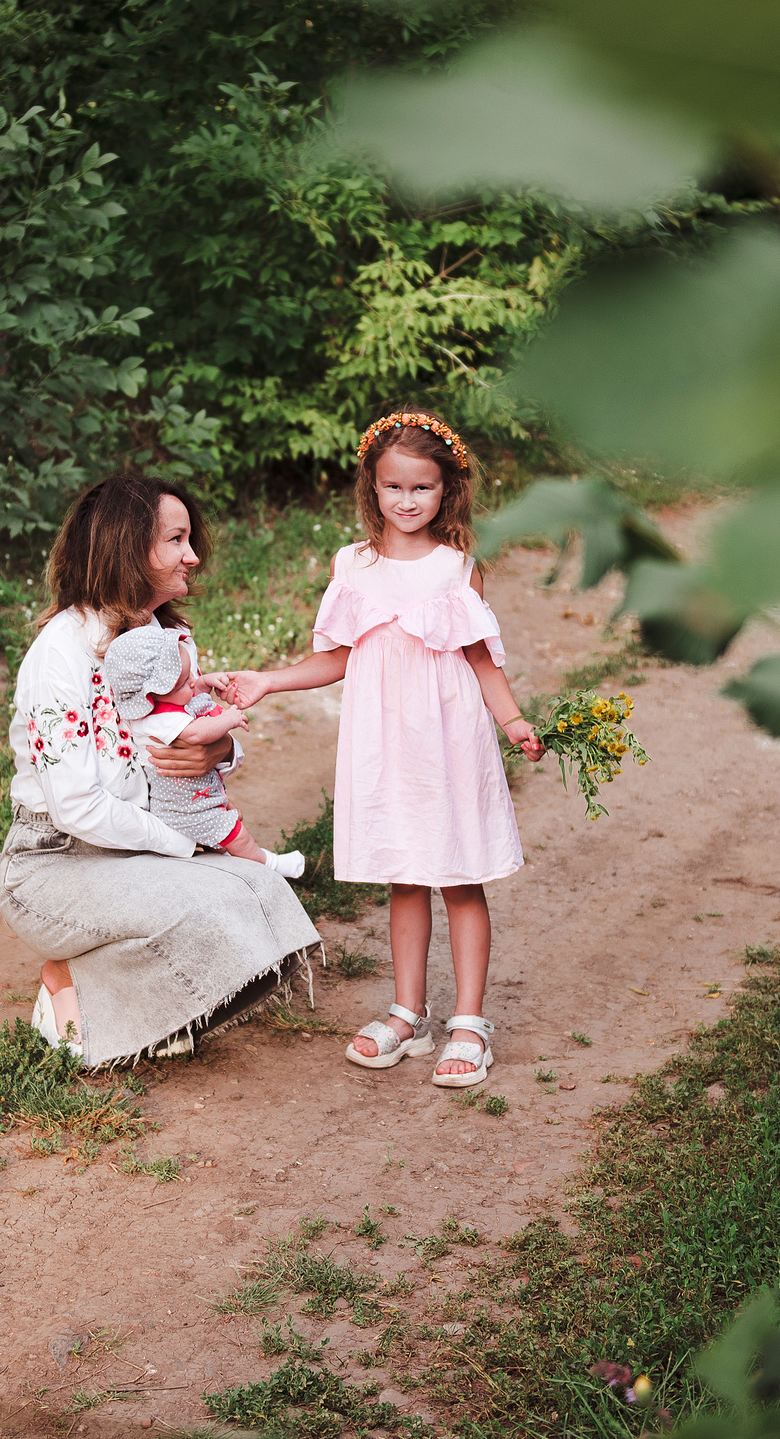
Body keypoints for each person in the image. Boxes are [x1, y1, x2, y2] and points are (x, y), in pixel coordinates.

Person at [211, 410, 544, 1089]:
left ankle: (471, 1021)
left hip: (448, 740)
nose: (407, 500)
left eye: (422, 488)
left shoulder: (457, 569)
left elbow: (482, 662)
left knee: (458, 872)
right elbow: (334, 658)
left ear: (447, 490)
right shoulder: (354, 565)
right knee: (405, 873)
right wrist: (269, 680)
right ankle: (409, 1011)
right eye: (393, 487)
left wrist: (511, 721)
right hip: (388, 743)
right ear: (373, 487)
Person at [0, 473, 322, 1065]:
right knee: (201, 906)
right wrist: (183, 845)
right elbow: (74, 806)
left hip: (131, 847)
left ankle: (145, 1004)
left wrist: (221, 752)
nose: (193, 556)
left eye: (189, 539)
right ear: (127, 547)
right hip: (53, 862)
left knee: (258, 887)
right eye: (176, 540)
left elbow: (187, 728)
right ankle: (71, 984)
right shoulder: (58, 654)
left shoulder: (159, 636)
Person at [101, 622, 306, 877]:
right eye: (184, 681)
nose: (192, 683)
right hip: (185, 806)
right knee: (235, 834)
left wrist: (205, 681)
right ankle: (269, 865)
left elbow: (191, 692)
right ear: (153, 694)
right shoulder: (157, 721)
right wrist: (229, 718)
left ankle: (234, 860)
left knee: (222, 833)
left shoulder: (167, 701)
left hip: (195, 795)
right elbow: (198, 732)